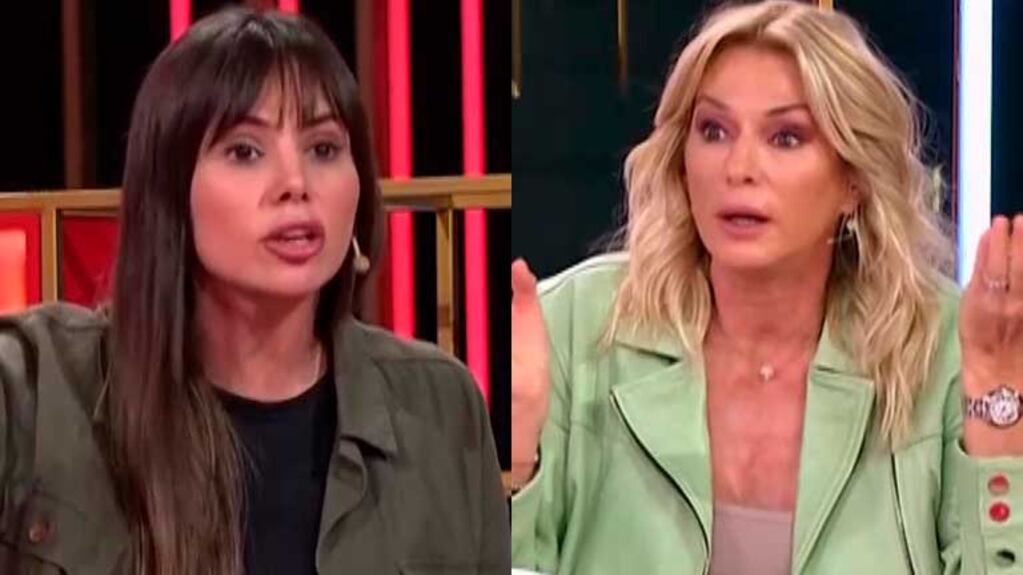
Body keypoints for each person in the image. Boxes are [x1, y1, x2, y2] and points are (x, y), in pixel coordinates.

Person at [509, 1, 1023, 573]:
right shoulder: (576, 326)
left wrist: (998, 420)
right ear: (682, 160)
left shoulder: (942, 346)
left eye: (786, 137)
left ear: (853, 180)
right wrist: (510, 468)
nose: (739, 168)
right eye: (714, 131)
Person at [0, 8, 508, 574]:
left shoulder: (442, 407)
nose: (296, 184)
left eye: (323, 149)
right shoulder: (36, 390)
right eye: (245, 151)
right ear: (170, 189)